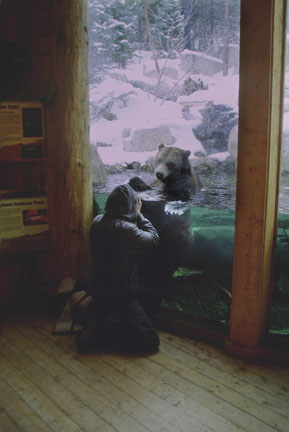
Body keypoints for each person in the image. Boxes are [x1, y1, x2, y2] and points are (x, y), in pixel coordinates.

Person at [76, 184, 161, 354]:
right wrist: (139, 214)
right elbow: (153, 238)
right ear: (131, 204)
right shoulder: (126, 230)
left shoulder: (98, 220)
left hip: (100, 292)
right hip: (121, 296)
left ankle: (100, 325)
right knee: (151, 342)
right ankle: (108, 333)